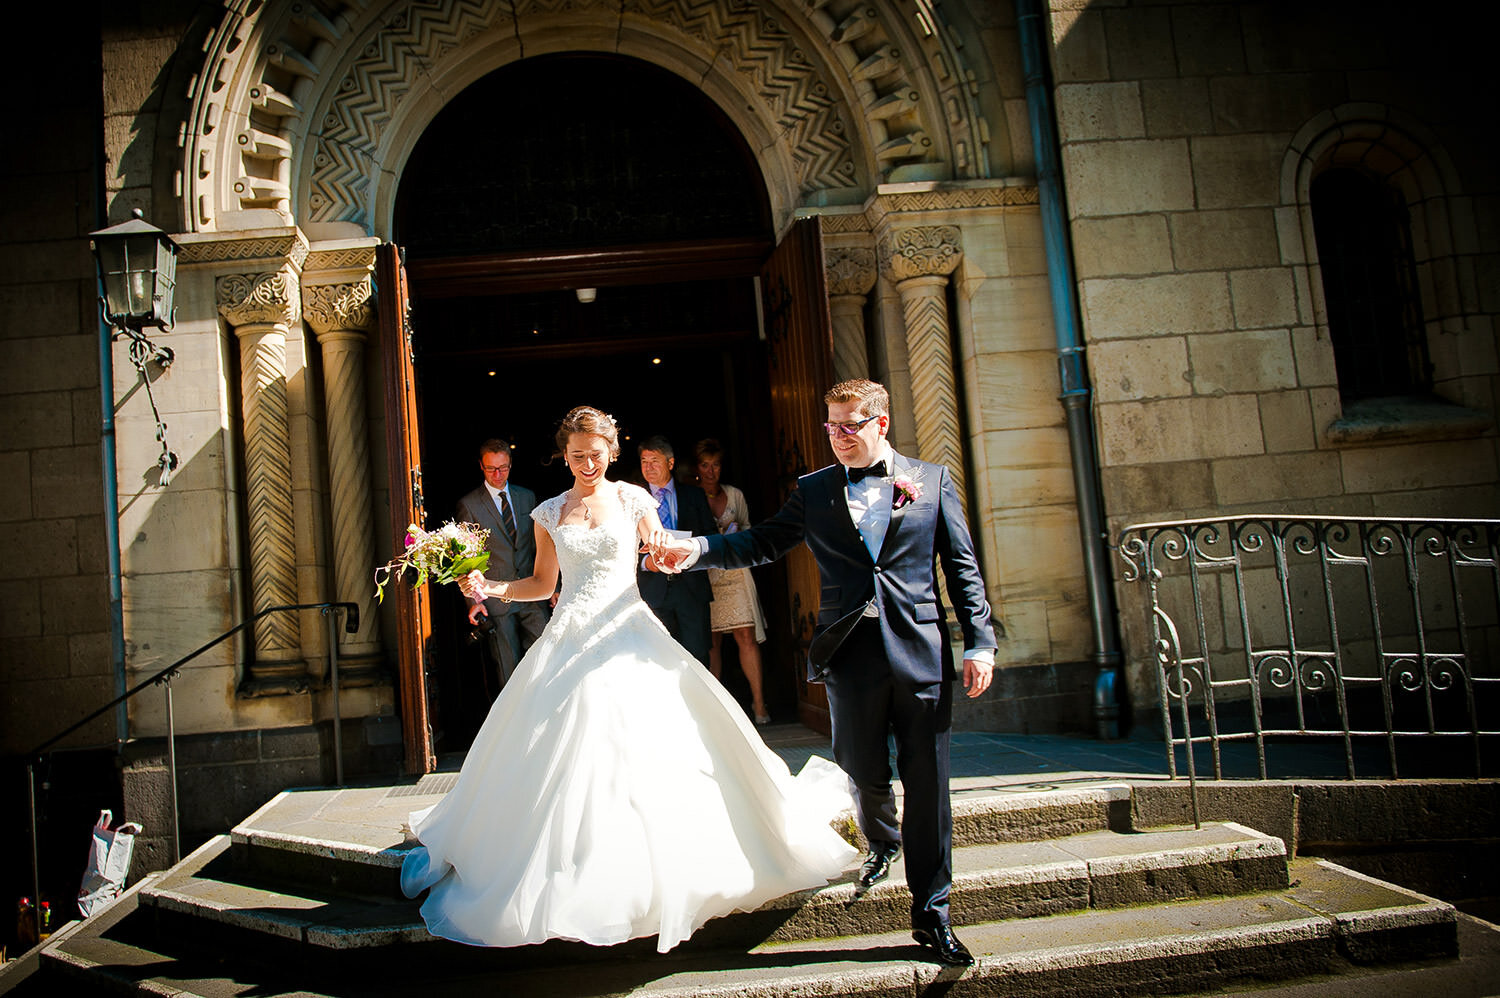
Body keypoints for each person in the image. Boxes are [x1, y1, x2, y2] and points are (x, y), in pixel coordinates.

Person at [400, 406, 856, 953]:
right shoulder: (548, 512)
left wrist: (667, 558)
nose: (587, 464)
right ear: (562, 455)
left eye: (596, 454)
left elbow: (660, 549)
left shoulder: (634, 499)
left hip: (629, 626)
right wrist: (493, 588)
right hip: (569, 633)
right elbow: (543, 583)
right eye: (576, 455)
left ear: (611, 452)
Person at [655, 379, 998, 967]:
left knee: (929, 787)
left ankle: (933, 913)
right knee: (863, 771)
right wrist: (698, 550)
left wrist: (981, 643)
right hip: (849, 656)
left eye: (850, 425)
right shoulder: (813, 491)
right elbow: (762, 543)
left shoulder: (933, 481)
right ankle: (881, 838)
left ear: (881, 422)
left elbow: (961, 568)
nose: (838, 437)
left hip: (922, 655)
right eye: (831, 427)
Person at [455, 439, 549, 690]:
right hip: (495, 599)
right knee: (508, 668)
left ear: (510, 464)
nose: (498, 475)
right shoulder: (469, 505)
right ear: (481, 466)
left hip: (531, 591)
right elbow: (465, 559)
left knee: (546, 657)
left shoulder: (526, 497)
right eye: (491, 469)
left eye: (503, 468)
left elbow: (541, 545)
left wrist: (555, 585)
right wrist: (473, 601)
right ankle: (515, 726)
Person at [693, 438, 770, 725]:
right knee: (711, 642)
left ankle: (759, 704)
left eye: (715, 465)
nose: (711, 471)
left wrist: (737, 534)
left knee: (746, 637)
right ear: (697, 468)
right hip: (706, 574)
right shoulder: (691, 496)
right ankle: (717, 713)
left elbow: (751, 530)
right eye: (705, 465)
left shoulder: (735, 495)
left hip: (735, 573)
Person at [635, 435, 716, 666]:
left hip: (690, 587)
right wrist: (645, 562)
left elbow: (711, 535)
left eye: (654, 461)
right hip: (651, 588)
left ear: (670, 463)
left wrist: (689, 551)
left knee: (698, 657)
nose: (648, 467)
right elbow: (625, 547)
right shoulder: (633, 500)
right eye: (644, 461)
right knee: (656, 659)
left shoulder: (694, 495)